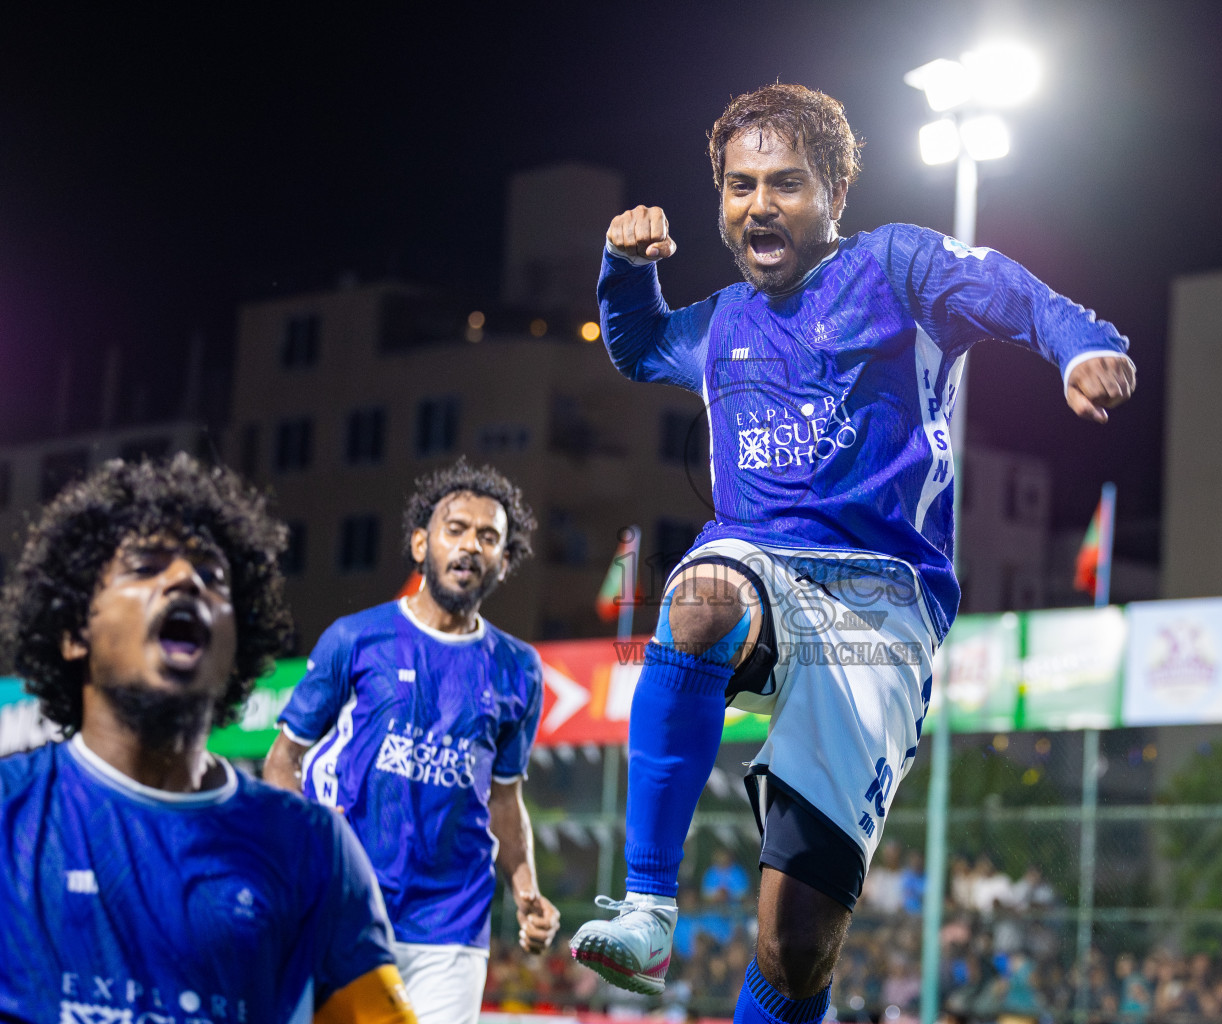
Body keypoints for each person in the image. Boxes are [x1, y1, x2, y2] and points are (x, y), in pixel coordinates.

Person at [569, 80, 1134, 1024]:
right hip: (757, 561)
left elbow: (1010, 290)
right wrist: (623, 267)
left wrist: (1080, 347)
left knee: (793, 949)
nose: (760, 205)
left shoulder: (898, 266)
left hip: (883, 602)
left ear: (833, 189)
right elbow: (637, 347)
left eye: (785, 183)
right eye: (741, 187)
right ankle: (647, 909)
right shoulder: (717, 324)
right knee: (698, 598)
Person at [0, 456, 416, 1022]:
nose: (185, 580)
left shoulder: (314, 848)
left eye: (213, 578)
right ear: (75, 632)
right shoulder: (10, 814)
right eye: (144, 566)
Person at [264, 459, 558, 1023]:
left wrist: (526, 890)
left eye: (489, 536)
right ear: (422, 544)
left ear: (504, 560)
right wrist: (304, 860)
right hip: (347, 906)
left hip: (453, 920)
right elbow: (283, 762)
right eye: (457, 530)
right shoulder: (354, 638)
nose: (471, 545)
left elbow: (504, 798)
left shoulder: (520, 669)